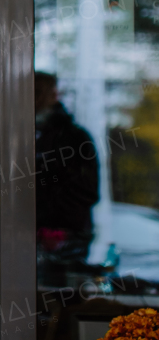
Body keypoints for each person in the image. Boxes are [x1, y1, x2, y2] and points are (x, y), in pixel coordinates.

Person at [34, 72, 100, 264]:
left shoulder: (73, 138)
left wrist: (51, 225)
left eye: (38, 92)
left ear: (54, 95)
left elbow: (86, 190)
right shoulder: (23, 135)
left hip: (63, 238)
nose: (34, 99)